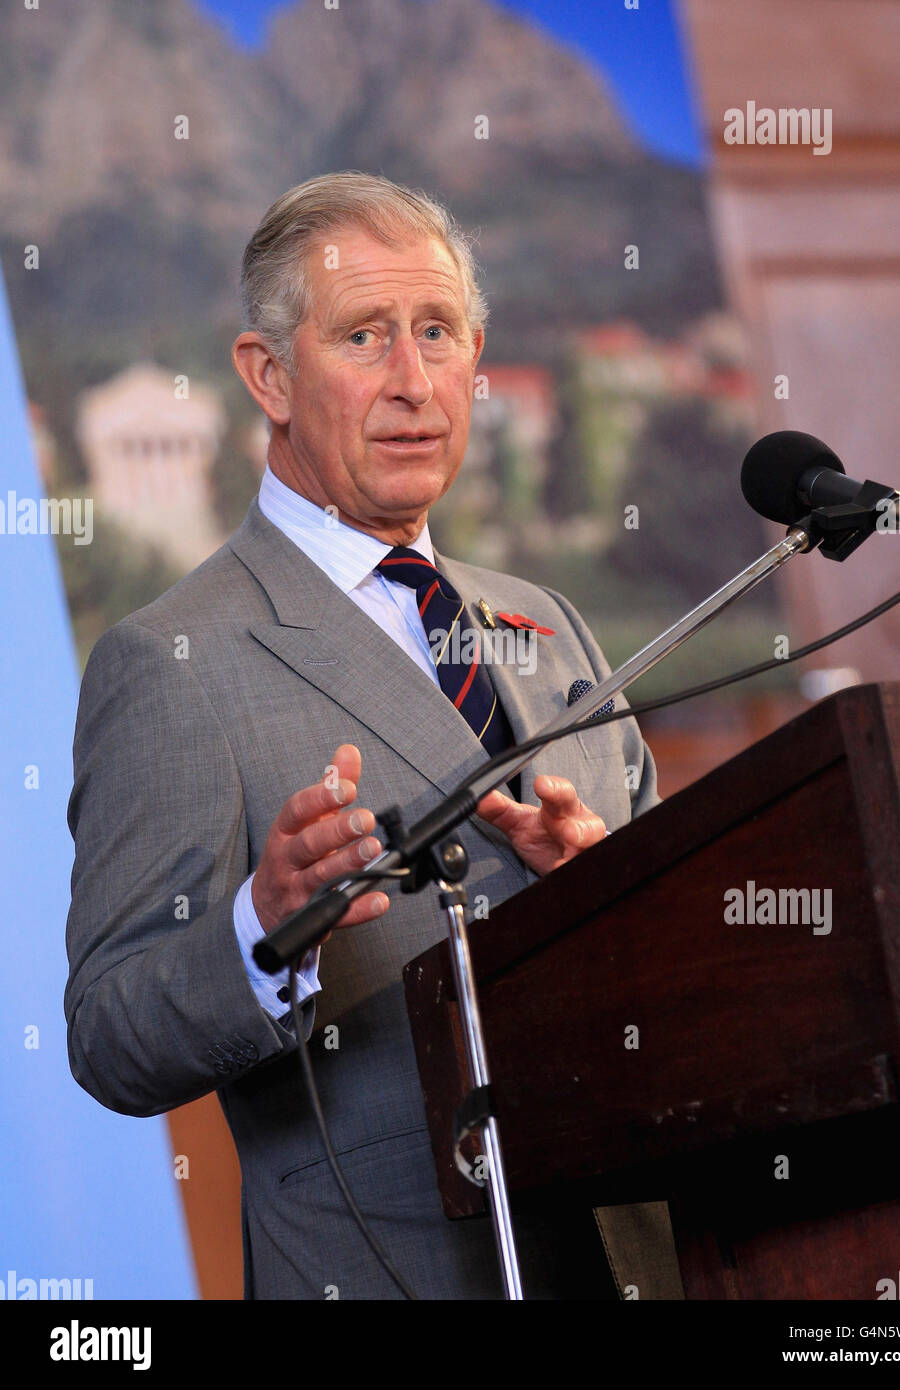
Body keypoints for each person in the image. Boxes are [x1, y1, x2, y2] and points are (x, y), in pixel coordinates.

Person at [65, 172, 659, 1300]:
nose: (412, 383)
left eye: (437, 333)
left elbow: (686, 953)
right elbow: (107, 1035)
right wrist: (261, 930)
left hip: (632, 1256)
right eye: (365, 337)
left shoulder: (552, 623)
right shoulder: (172, 658)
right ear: (268, 375)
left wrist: (608, 893)